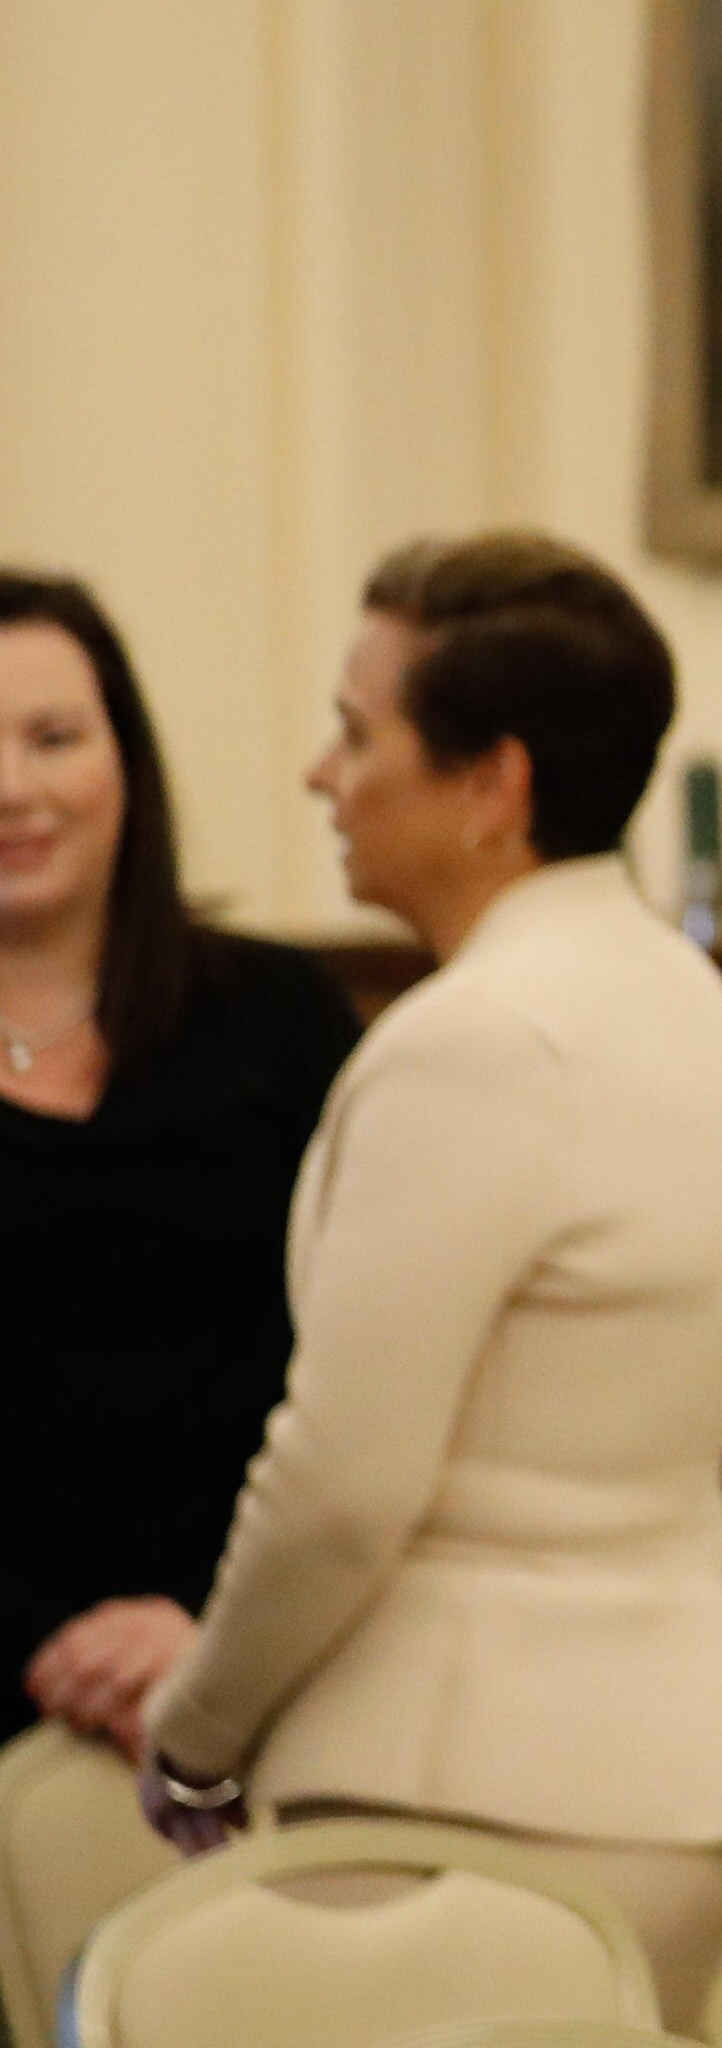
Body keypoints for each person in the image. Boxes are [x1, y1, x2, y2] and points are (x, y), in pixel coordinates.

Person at [88, 537, 722, 2023]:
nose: (318, 773)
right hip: (674, 1774)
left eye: (357, 734)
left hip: (471, 1794)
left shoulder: (474, 1044)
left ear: (494, 786)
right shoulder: (690, 1000)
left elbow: (344, 1481)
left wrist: (199, 1729)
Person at [7, 577, 362, 1757]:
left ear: (127, 760)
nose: (15, 789)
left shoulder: (278, 1017)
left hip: (264, 1673)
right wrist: (50, 1642)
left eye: (54, 738)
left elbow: (362, 1367)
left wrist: (214, 1629)